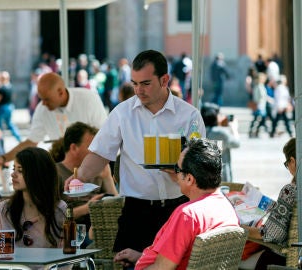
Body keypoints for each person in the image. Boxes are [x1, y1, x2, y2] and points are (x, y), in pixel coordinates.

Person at [64, 50, 206, 260]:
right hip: (136, 211)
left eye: (146, 83)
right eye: (135, 83)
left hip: (178, 209)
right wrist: (80, 176)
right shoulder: (122, 112)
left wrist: (179, 171)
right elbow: (100, 153)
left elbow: (201, 165)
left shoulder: (189, 115)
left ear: (164, 80)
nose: (139, 90)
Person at [114, 138, 240, 269]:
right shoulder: (226, 207)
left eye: (177, 169)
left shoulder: (188, 215)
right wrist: (141, 257)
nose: (174, 173)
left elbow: (162, 268)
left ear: (190, 179)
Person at [0, 72, 107, 172]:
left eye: (46, 99)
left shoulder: (88, 99)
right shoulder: (42, 109)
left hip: (93, 165)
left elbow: (103, 137)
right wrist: (3, 159)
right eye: (41, 99)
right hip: (62, 167)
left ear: (61, 92)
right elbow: (31, 142)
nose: (43, 103)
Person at [51, 121, 118, 246]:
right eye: (92, 147)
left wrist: (107, 177)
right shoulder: (55, 174)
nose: (97, 152)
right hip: (72, 231)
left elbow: (117, 204)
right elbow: (52, 217)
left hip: (102, 227)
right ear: (74, 148)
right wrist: (88, 208)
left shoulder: (97, 170)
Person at [0, 147, 66, 248]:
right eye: (14, 169)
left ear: (39, 173)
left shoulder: (59, 209)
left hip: (47, 264)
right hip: (12, 264)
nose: (13, 174)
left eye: (20, 170)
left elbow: (66, 255)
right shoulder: (4, 209)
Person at [239, 137, 296, 269]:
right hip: (296, 255)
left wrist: (239, 227)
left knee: (234, 261)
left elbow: (269, 234)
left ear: (292, 161)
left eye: (287, 163)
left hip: (283, 258)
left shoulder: (290, 191)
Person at [200, 102, 240, 182]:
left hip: (205, 175)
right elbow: (236, 143)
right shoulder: (220, 132)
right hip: (222, 176)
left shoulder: (200, 130)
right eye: (219, 114)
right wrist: (234, 128)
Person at [248, 72, 268, 138]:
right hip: (260, 105)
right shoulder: (260, 86)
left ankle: (254, 131)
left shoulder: (257, 86)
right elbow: (262, 96)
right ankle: (253, 131)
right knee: (258, 119)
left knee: (259, 119)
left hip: (259, 105)